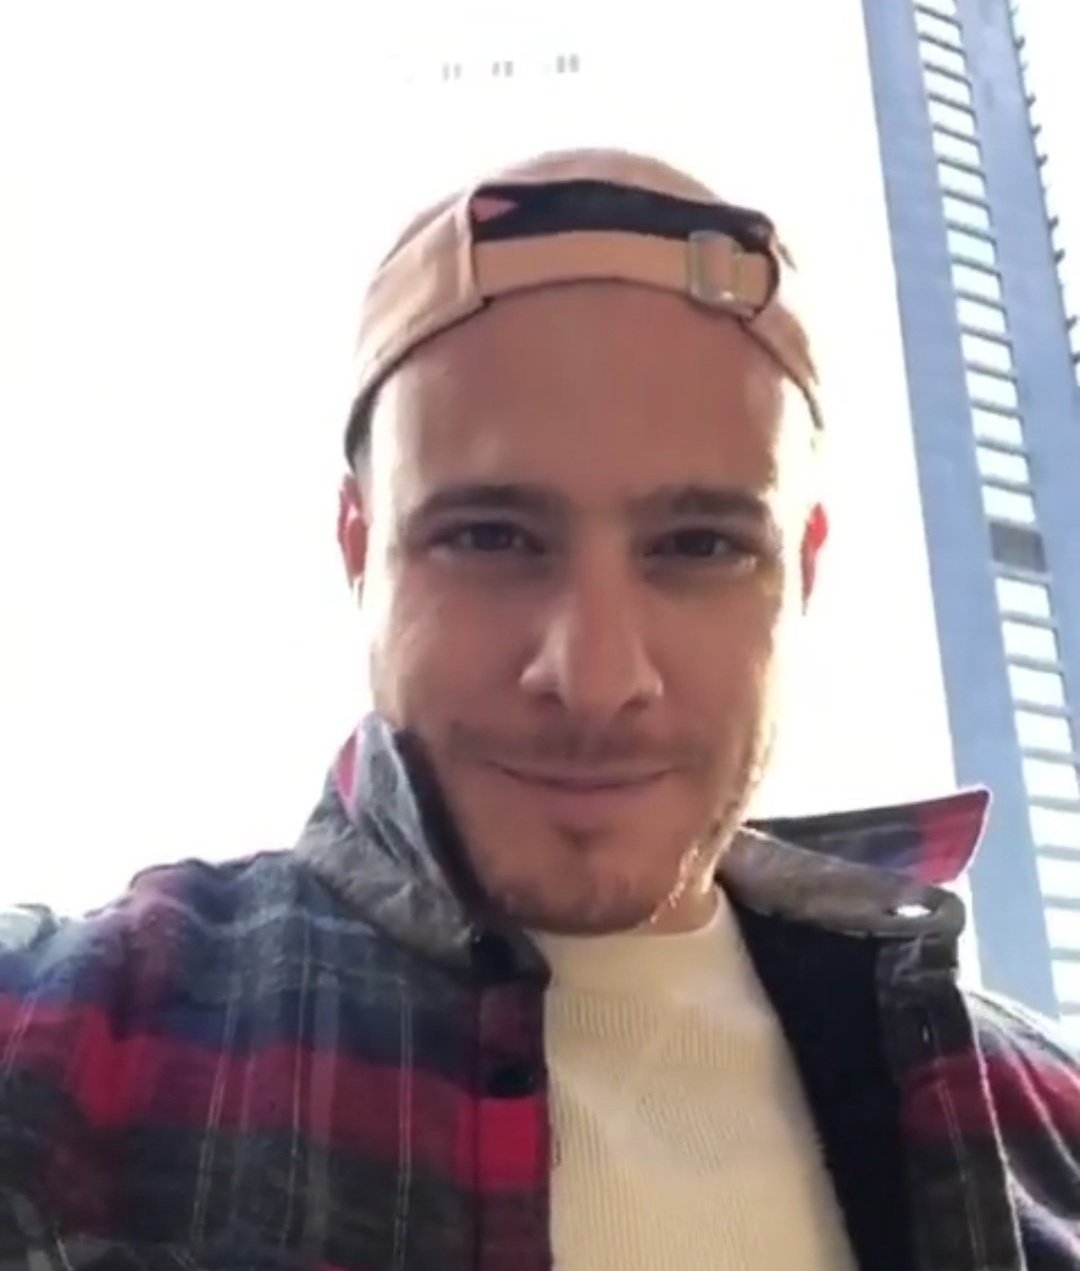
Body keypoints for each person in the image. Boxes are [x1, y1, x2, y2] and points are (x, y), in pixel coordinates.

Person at [1, 147, 1078, 1271]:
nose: (597, 676)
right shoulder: (57, 1048)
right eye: (490, 537)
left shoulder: (1044, 1128)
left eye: (700, 547)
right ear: (360, 549)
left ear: (800, 571)